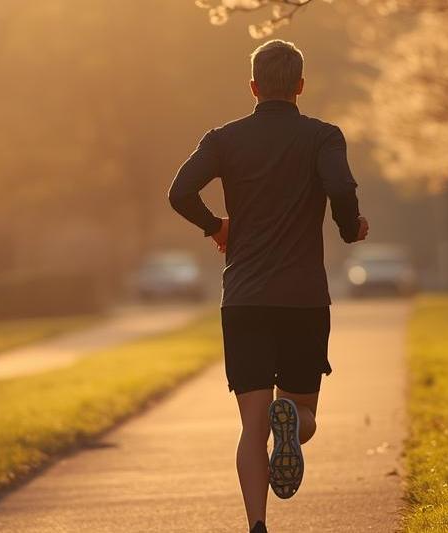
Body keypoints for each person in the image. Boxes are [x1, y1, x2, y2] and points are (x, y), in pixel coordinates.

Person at [167, 39, 368, 533]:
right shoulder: (324, 137)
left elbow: (179, 192)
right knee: (303, 413)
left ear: (253, 87)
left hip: (244, 299)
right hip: (302, 297)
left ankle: (257, 525)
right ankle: (294, 427)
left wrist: (217, 227)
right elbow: (341, 189)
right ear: (301, 86)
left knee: (251, 427)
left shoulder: (224, 139)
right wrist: (348, 227)